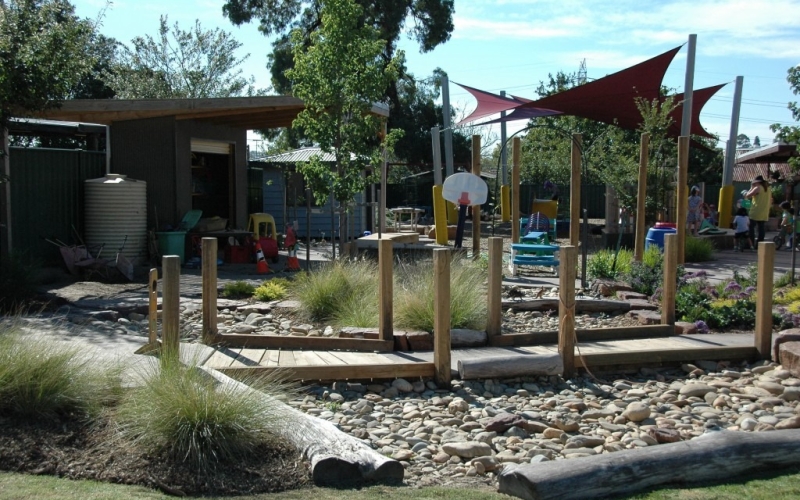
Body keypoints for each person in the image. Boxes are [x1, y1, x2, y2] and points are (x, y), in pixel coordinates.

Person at [744, 175, 771, 245]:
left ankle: (751, 243)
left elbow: (747, 195)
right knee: (761, 228)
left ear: (757, 182)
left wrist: (751, 188)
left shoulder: (757, 188)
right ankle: (760, 244)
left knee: (751, 227)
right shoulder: (768, 188)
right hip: (764, 211)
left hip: (755, 211)